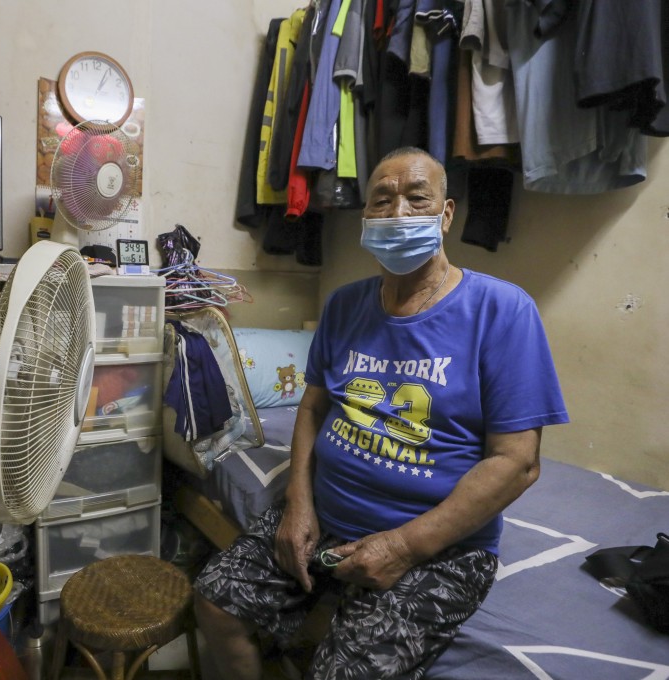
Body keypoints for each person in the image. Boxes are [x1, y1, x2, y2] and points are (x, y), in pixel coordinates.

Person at [194, 146, 570, 679]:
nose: (398, 214)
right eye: (382, 200)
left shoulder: (503, 311)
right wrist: (299, 504)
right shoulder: (344, 305)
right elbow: (312, 406)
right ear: (365, 217)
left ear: (446, 215)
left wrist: (403, 547)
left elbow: (518, 462)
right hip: (326, 516)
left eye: (418, 199)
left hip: (439, 546)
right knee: (214, 602)